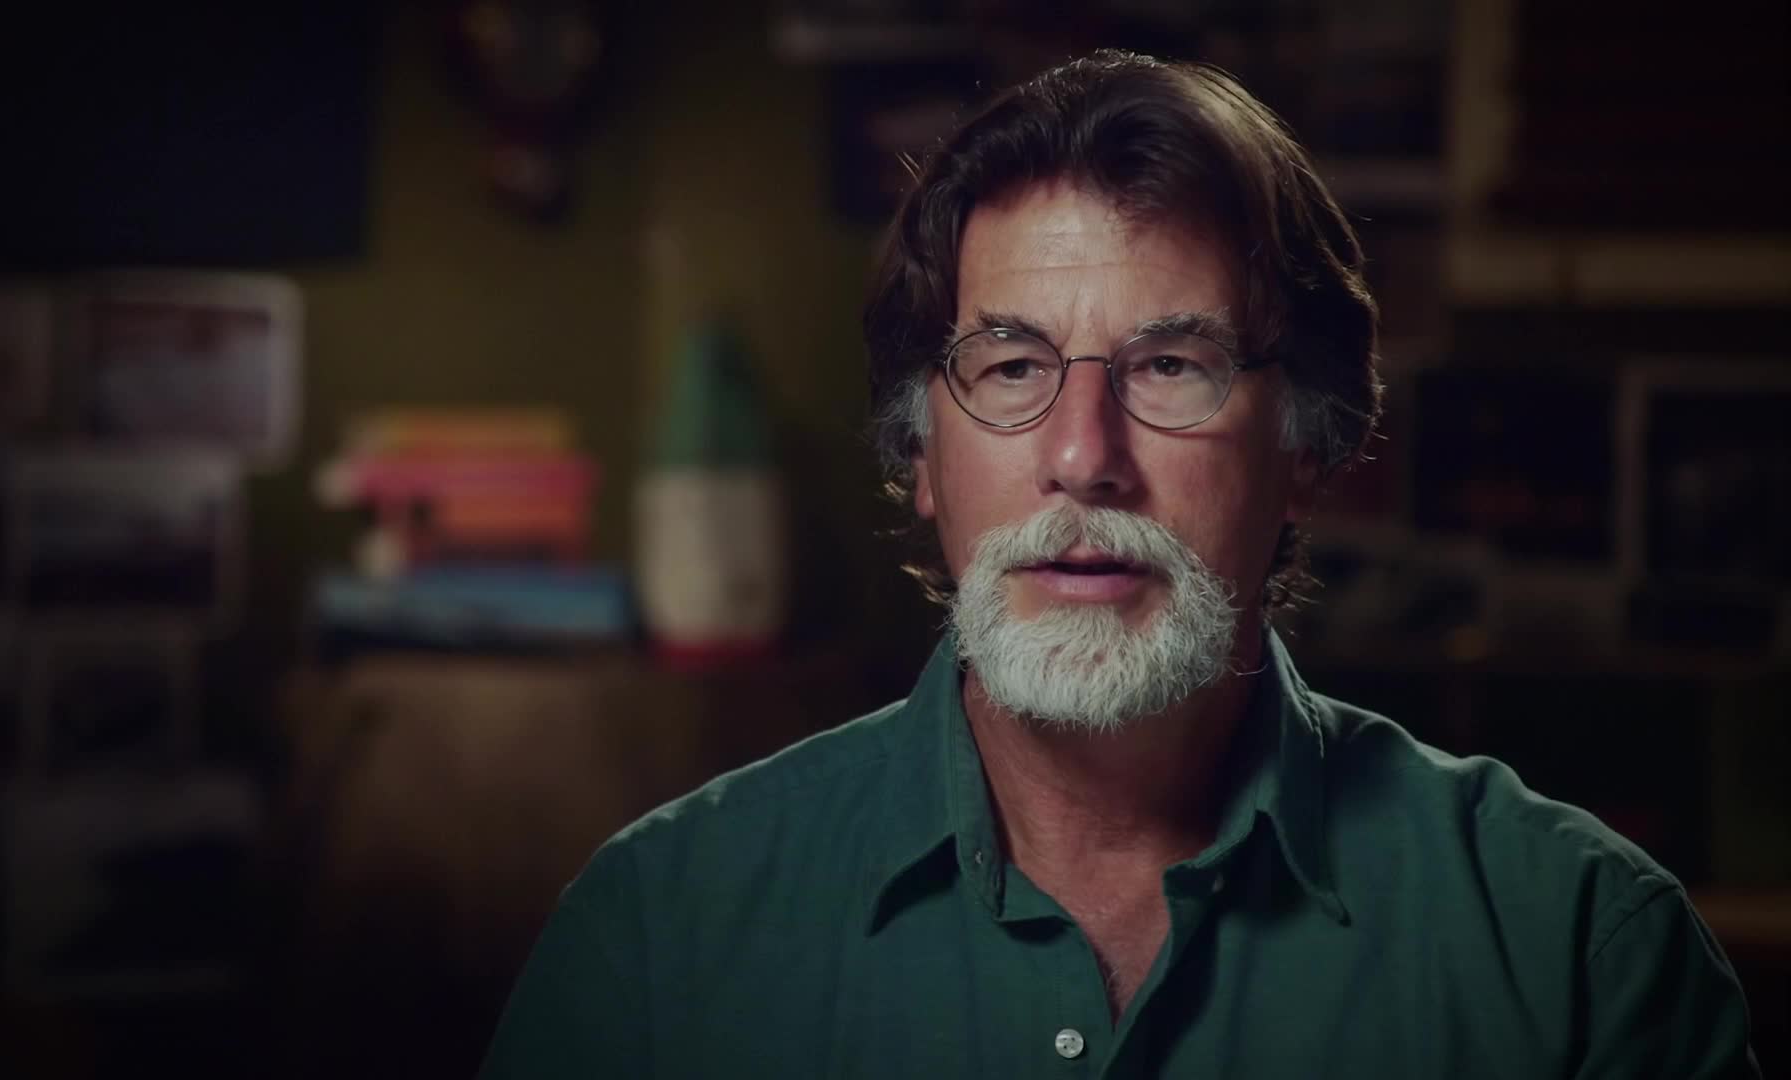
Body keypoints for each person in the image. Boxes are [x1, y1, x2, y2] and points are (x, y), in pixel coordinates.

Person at [479, 51, 1759, 1078]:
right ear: (921, 454)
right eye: (1012, 368)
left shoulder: (1580, 957)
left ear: (1308, 450)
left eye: (1172, 366)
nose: (1084, 456)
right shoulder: (660, 939)